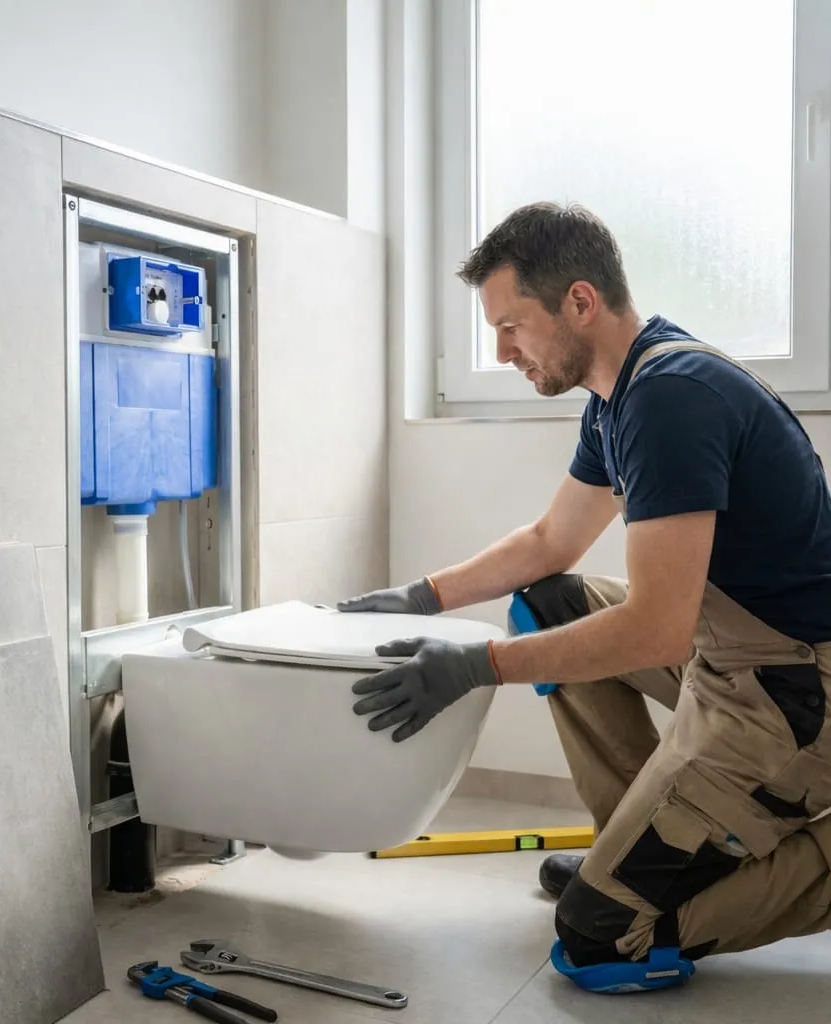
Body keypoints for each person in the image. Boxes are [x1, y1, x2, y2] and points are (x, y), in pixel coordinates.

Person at [337, 201, 831, 994]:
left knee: (599, 942)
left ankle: (651, 883)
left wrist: (476, 665)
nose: (502, 353)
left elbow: (657, 633)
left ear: (579, 302)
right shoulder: (619, 397)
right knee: (552, 599)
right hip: (730, 659)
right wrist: (419, 597)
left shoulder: (672, 397)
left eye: (512, 326)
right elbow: (549, 545)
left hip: (797, 695)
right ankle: (631, 847)